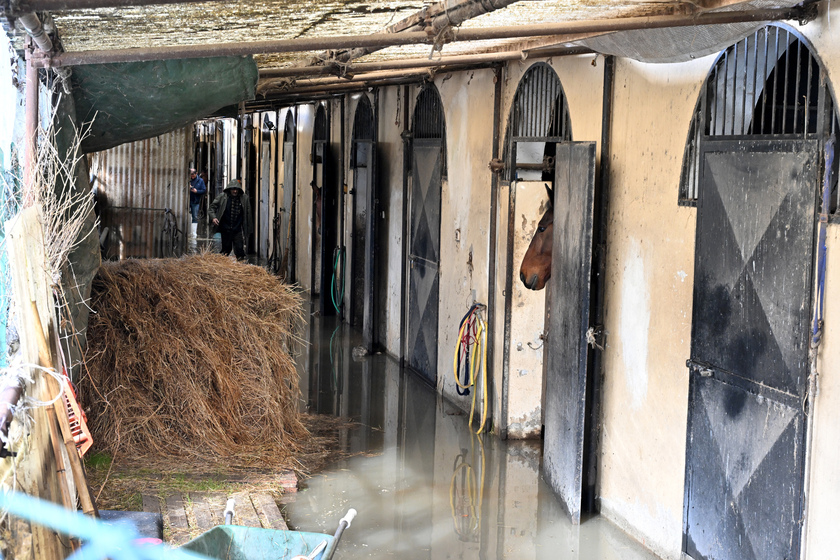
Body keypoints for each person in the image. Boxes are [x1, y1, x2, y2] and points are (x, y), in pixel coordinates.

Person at [208, 179, 252, 260]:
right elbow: (211, 208)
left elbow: (248, 213)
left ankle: (240, 268)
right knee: (226, 249)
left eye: (236, 189)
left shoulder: (244, 198)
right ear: (229, 189)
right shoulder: (222, 197)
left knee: (239, 249)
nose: (235, 191)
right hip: (225, 227)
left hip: (237, 228)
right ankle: (222, 266)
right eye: (233, 189)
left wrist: (248, 229)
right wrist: (213, 217)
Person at [188, 168, 206, 238]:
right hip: (188, 200)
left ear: (196, 173)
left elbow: (204, 190)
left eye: (193, 175)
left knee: (195, 216)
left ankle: (194, 233)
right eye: (191, 175)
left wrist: (197, 191)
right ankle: (188, 232)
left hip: (195, 200)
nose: (192, 177)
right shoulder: (188, 180)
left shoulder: (200, 181)